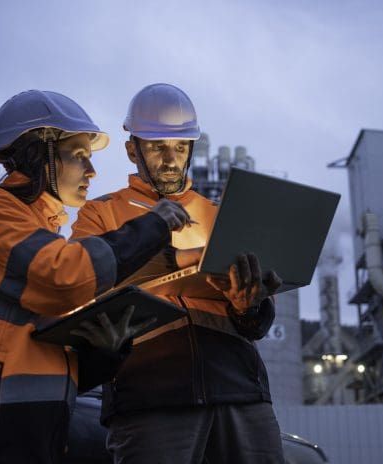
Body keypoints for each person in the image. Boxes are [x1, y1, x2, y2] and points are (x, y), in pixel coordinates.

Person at [0, 90, 192, 464]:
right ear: (40, 153)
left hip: (33, 433)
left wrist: (105, 350)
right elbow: (63, 277)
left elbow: (53, 363)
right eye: (79, 156)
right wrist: (153, 225)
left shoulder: (48, 238)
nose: (91, 171)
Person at [71, 83, 285, 463]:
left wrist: (249, 304)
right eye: (157, 147)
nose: (171, 159)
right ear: (131, 149)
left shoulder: (221, 215)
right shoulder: (101, 215)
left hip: (240, 392)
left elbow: (255, 325)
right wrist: (176, 258)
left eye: (181, 147)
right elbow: (81, 285)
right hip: (150, 396)